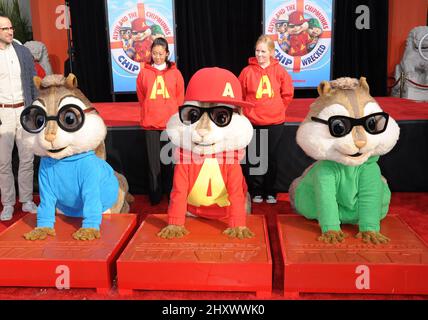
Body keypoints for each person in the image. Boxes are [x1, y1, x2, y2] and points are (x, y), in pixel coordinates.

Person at [239, 34, 294, 204]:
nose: (260, 55)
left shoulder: (279, 71)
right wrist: (245, 114)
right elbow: (240, 95)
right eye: (257, 51)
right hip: (253, 122)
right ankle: (256, 190)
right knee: (255, 157)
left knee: (270, 157)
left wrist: (278, 109)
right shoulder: (247, 71)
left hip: (275, 123)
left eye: (263, 51)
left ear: (271, 52)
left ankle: (270, 191)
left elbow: (287, 93)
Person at [136, 37, 185, 205]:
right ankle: (155, 196)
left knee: (170, 161)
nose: (157, 57)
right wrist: (149, 109)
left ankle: (171, 193)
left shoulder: (175, 73)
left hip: (170, 124)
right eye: (155, 53)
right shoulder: (144, 72)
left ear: (167, 54)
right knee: (153, 163)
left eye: (161, 54)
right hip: (150, 123)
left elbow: (180, 98)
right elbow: (141, 96)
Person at [0, 15, 38, 221]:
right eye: (5, 29)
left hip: (24, 112)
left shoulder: (22, 52)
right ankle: (7, 203)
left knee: (27, 159)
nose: (10, 31)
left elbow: (33, 82)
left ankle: (26, 200)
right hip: (2, 114)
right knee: (3, 163)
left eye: (11, 27)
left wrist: (34, 110)